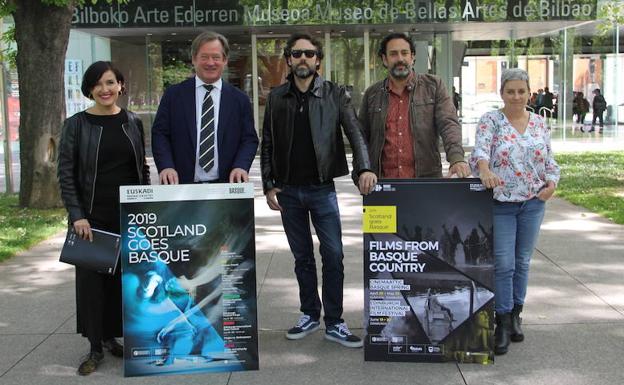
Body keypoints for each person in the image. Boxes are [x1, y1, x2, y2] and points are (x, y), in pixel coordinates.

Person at [261, 33, 377, 348]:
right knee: (302, 258)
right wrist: (269, 184)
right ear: (288, 59)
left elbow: (355, 133)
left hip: (322, 189)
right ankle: (310, 314)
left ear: (318, 60)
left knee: (334, 255)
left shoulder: (335, 94)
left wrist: (364, 168)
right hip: (288, 192)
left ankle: (335, 322)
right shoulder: (276, 98)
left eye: (309, 54)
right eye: (296, 53)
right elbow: (268, 142)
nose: (303, 59)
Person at [58, 61, 151, 375]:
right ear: (89, 89)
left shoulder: (133, 121)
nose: (105, 89)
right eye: (98, 84)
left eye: (110, 82)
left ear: (121, 85)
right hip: (92, 220)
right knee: (92, 285)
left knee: (122, 283)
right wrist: (77, 216)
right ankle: (95, 347)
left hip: (127, 216)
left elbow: (142, 168)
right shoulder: (76, 125)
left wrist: (145, 206)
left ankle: (113, 338)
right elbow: (66, 175)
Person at [469, 68, 560, 355]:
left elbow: (549, 160)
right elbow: (480, 153)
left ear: (529, 93)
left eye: (522, 91)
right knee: (504, 263)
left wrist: (552, 184)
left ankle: (516, 315)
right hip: (502, 203)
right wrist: (485, 171)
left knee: (522, 262)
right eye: (511, 91)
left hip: (533, 203)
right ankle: (502, 319)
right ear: (502, 94)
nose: (517, 96)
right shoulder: (491, 121)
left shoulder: (538, 123)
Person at [152, 31, 258, 184]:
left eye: (216, 57)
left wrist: (241, 166)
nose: (210, 63)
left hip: (226, 186)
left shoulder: (239, 99)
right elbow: (160, 134)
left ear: (225, 60)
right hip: (182, 186)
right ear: (194, 59)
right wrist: (166, 166)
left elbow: (249, 139)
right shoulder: (174, 95)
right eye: (204, 57)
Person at [359, 33, 470, 179]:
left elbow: (448, 123)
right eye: (393, 54)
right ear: (385, 60)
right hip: (382, 185)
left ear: (412, 57)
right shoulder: (372, 94)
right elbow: (360, 138)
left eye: (404, 53)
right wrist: (363, 171)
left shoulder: (434, 86)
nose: (400, 59)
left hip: (425, 183)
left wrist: (456, 158)